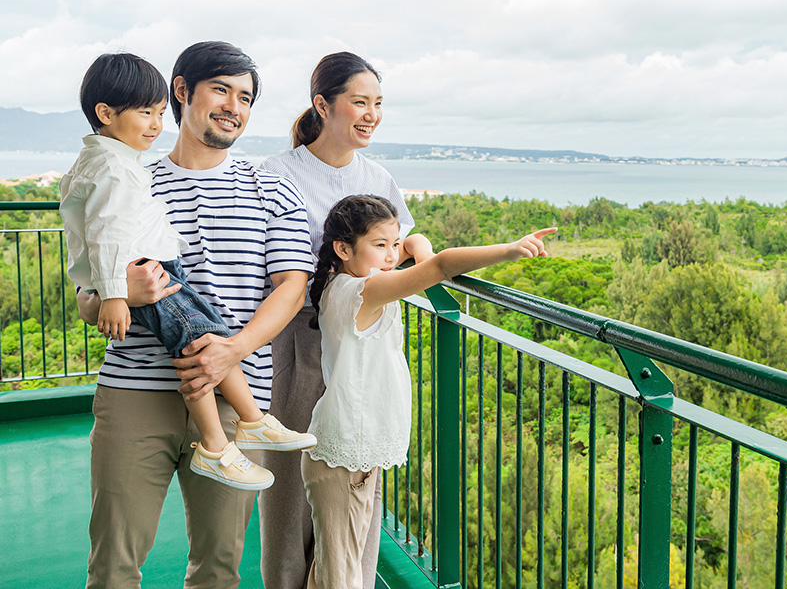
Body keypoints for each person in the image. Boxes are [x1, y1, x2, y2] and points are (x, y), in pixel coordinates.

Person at [77, 41, 314, 589]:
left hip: (235, 397)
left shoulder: (272, 187)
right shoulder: (129, 179)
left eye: (246, 97)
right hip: (136, 392)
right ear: (181, 92)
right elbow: (91, 298)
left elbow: (291, 287)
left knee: (219, 568)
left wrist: (233, 348)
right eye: (221, 90)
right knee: (113, 563)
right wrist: (124, 293)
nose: (234, 105)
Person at [303, 194, 555, 589]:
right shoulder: (362, 291)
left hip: (351, 452)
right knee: (340, 578)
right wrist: (510, 250)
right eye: (379, 246)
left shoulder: (346, 281)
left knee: (336, 572)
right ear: (343, 249)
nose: (390, 255)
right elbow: (439, 265)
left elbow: (414, 243)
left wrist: (415, 247)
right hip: (343, 458)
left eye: (391, 244)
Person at [258, 52, 416, 589]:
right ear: (322, 105)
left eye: (377, 104)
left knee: (355, 489)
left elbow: (405, 237)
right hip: (299, 339)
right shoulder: (277, 175)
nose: (370, 114)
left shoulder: (378, 176)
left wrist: (419, 245)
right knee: (288, 489)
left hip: (360, 348)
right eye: (359, 102)